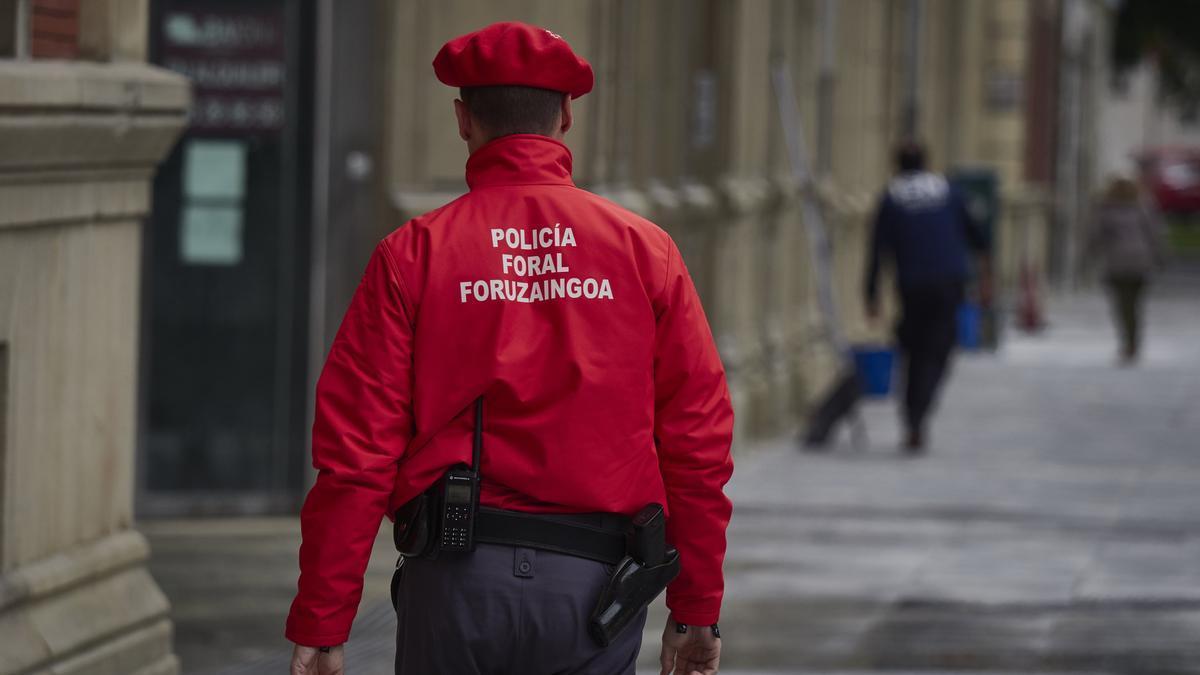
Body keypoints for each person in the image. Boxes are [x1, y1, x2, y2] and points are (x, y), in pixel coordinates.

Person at [286, 21, 733, 675]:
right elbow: (698, 441)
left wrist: (323, 621)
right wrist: (696, 608)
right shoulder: (645, 252)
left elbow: (356, 451)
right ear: (567, 116)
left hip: (454, 587)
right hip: (594, 592)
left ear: (464, 119)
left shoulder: (414, 253)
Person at [864, 142, 990, 453]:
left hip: (911, 286)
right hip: (949, 282)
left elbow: (877, 250)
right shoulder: (948, 191)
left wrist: (871, 294)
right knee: (939, 351)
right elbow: (979, 236)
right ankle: (919, 412)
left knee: (912, 351)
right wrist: (986, 273)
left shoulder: (892, 198)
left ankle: (912, 417)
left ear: (897, 165)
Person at [1085, 176, 1167, 365]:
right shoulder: (1143, 206)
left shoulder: (1105, 208)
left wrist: (1088, 256)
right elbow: (1155, 233)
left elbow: (1095, 235)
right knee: (1136, 306)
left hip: (1117, 263)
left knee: (1123, 307)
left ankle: (1128, 344)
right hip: (1141, 262)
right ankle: (1133, 342)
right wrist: (1161, 259)